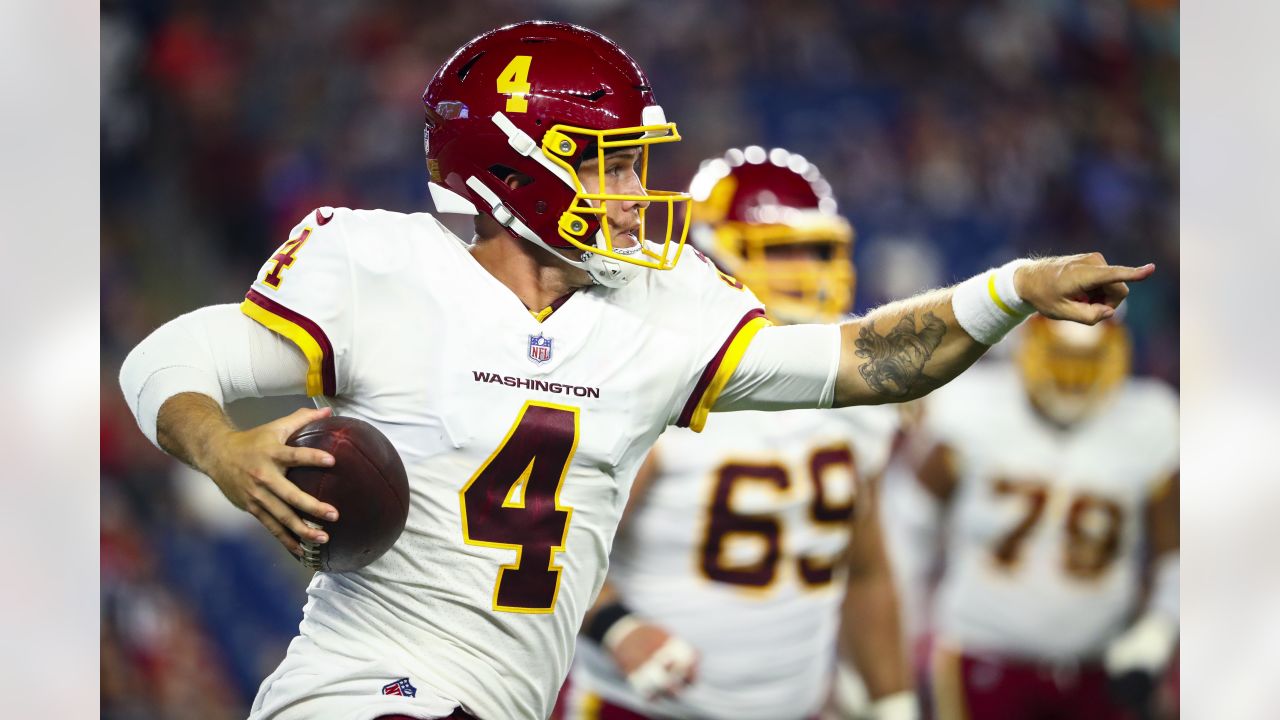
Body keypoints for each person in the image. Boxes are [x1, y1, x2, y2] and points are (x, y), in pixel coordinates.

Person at [117, 20, 1153, 720]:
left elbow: (865, 361)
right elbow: (170, 358)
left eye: (631, 158)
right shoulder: (380, 264)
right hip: (361, 691)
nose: (630, 186)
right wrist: (225, 446)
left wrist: (1012, 286)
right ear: (511, 160)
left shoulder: (665, 308)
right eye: (603, 158)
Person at [558, 147, 916, 720]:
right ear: (715, 256)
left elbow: (865, 566)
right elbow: (550, 549)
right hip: (642, 707)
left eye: (819, 250)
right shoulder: (658, 370)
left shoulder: (854, 384)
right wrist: (617, 628)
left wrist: (892, 702)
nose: (807, 268)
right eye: (782, 251)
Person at [906, 315, 1178, 720]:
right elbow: (909, 525)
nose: (1071, 376)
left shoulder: (1149, 421)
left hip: (1100, 664)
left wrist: (1158, 631)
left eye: (1085, 360)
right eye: (1061, 357)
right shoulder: (973, 406)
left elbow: (1176, 552)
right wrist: (903, 633)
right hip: (983, 656)